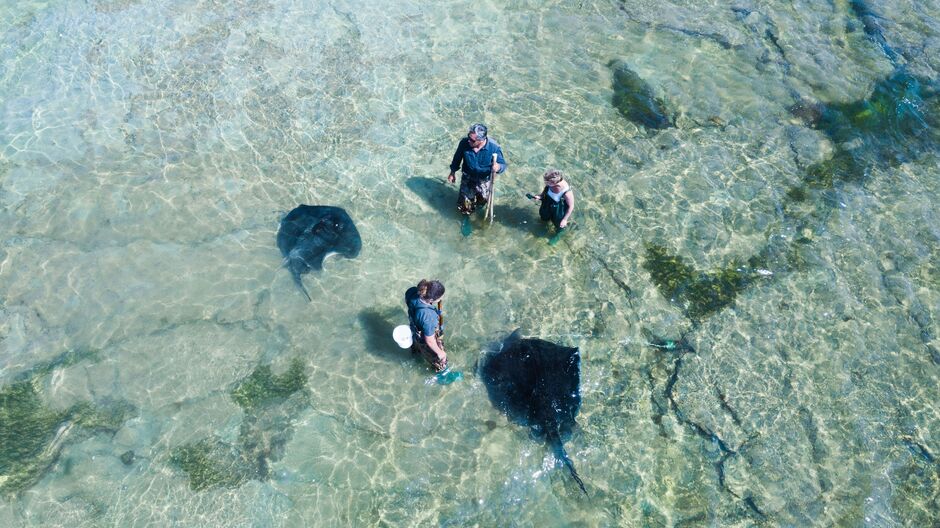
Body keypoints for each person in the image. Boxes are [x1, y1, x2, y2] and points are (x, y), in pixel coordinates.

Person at [447, 123, 507, 215]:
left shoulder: (494, 147)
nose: (469, 141)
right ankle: (466, 214)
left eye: (472, 140)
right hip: (468, 176)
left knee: (482, 200)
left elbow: (503, 165)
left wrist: (498, 167)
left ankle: (476, 209)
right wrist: (452, 172)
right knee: (464, 205)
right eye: (468, 137)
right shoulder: (464, 143)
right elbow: (457, 158)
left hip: (484, 179)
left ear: (481, 140)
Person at [404, 279, 447, 372]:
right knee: (441, 361)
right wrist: (441, 353)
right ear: (431, 300)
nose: (441, 298)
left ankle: (415, 352)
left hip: (415, 329)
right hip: (425, 338)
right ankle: (440, 371)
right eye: (440, 297)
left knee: (416, 347)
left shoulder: (412, 292)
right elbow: (430, 341)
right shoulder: (428, 317)